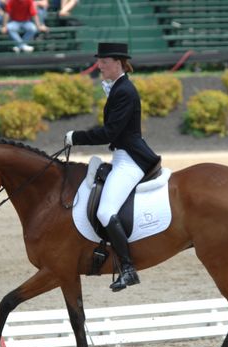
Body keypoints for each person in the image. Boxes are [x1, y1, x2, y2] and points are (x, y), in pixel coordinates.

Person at [64, 42, 161, 292]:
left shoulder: (125, 91)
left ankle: (128, 268)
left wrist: (77, 138)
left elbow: (110, 132)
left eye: (104, 62)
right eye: (99, 61)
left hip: (131, 159)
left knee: (106, 211)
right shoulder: (117, 88)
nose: (99, 66)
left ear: (117, 62)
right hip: (121, 156)